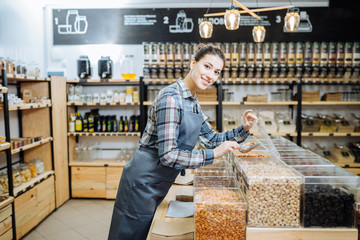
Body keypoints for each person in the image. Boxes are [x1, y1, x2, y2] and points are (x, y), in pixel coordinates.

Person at [108, 43, 258, 240]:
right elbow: (168, 155)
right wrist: (214, 154)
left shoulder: (191, 100)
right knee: (128, 235)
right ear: (193, 63)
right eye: (207, 66)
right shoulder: (171, 98)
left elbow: (212, 139)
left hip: (157, 181)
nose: (211, 75)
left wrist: (244, 129)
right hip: (142, 182)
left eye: (217, 71)